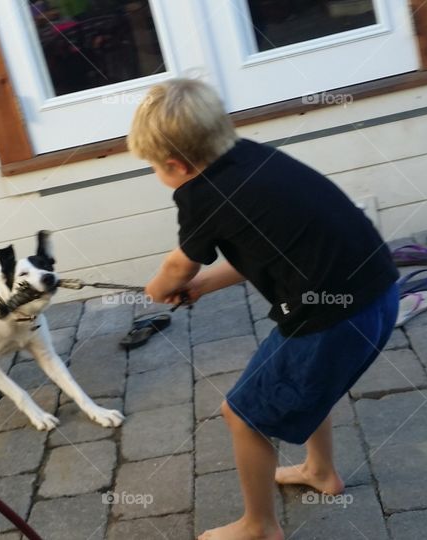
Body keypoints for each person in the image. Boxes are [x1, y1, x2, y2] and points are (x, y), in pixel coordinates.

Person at [134, 79, 399, 540]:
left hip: (331, 320)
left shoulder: (200, 195)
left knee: (243, 415)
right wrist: (206, 285)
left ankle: (259, 526)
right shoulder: (250, 155)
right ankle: (320, 471)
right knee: (312, 385)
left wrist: (160, 288)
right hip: (377, 294)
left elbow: (178, 265)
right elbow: (267, 247)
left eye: (155, 167)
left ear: (175, 165)